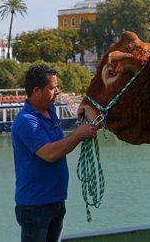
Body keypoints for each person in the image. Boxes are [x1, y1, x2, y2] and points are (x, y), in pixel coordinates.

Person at [12, 64, 98, 242]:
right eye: (51, 88)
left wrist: (79, 129)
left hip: (56, 200)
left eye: (56, 87)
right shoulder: (27, 121)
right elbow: (49, 153)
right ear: (36, 91)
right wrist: (78, 135)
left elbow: (57, 144)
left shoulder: (51, 112)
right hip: (35, 205)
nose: (57, 91)